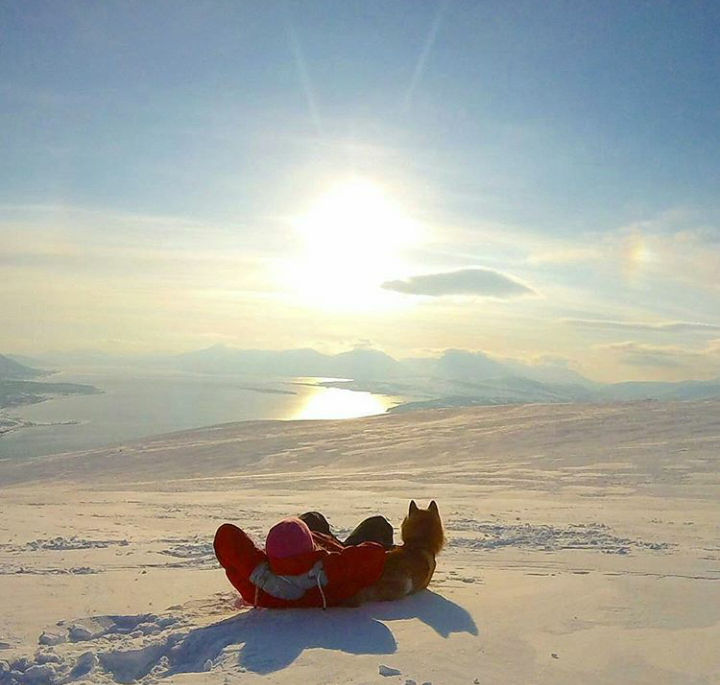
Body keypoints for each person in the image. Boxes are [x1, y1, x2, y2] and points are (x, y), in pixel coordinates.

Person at [213, 511, 394, 609]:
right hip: (335, 552)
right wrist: (325, 568)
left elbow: (226, 535)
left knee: (311, 517)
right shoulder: (335, 582)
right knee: (377, 523)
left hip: (299, 557)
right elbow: (375, 554)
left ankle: (301, 532)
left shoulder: (259, 591)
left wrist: (262, 575)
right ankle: (307, 534)